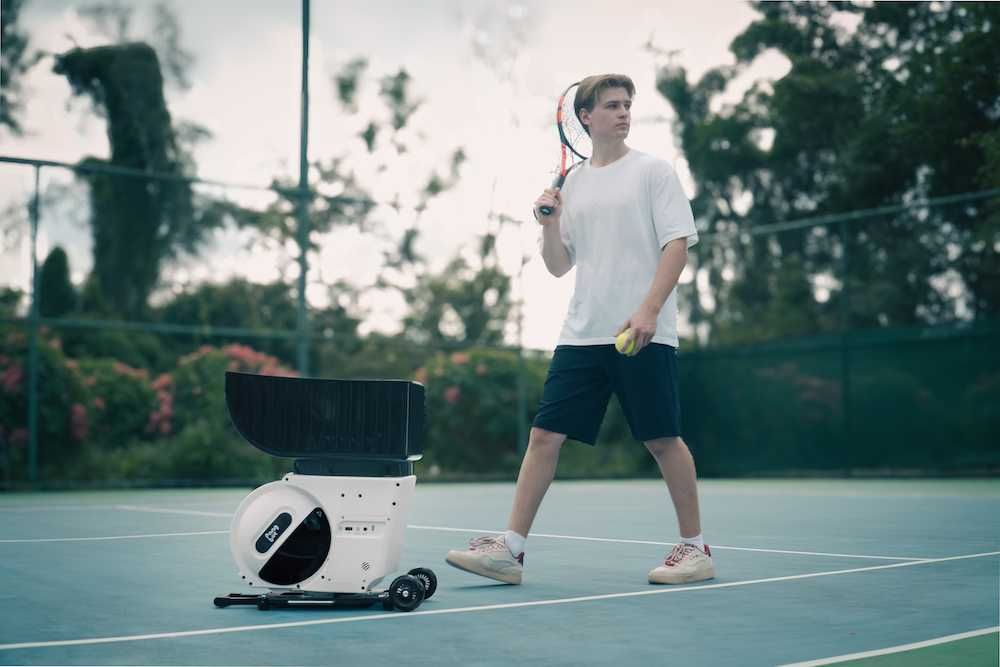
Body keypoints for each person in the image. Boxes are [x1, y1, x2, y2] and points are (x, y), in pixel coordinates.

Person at [445, 74, 713, 586]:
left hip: (642, 331)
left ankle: (695, 549)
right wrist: (548, 223)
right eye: (612, 105)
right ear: (585, 117)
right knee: (544, 435)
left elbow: (677, 245)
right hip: (581, 333)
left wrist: (649, 311)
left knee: (662, 439)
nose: (623, 113)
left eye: (627, 105)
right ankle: (511, 551)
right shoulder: (574, 184)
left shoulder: (654, 173)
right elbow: (558, 265)